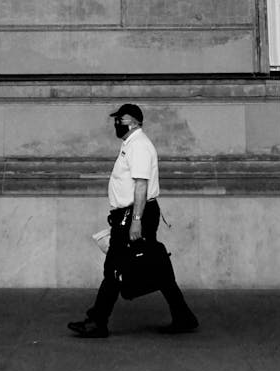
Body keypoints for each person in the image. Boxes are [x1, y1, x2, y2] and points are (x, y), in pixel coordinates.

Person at [68, 103, 198, 338]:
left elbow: (141, 186)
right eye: (116, 119)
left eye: (122, 119)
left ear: (136, 121)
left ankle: (97, 321)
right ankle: (183, 316)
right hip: (133, 213)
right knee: (152, 263)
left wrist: (136, 220)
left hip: (135, 214)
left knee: (115, 266)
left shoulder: (139, 146)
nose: (117, 123)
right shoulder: (131, 144)